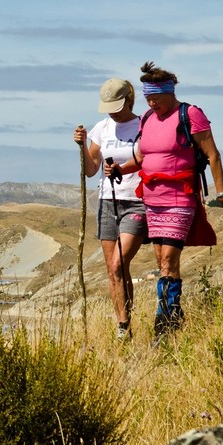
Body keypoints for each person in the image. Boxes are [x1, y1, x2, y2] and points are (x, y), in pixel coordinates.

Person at [106, 62, 223, 339]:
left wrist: (222, 195)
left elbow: (213, 154)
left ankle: (164, 324)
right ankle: (173, 313)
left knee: (168, 260)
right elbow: (144, 157)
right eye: (147, 98)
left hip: (181, 197)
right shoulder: (147, 118)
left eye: (156, 97)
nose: (152, 103)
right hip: (153, 200)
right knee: (161, 262)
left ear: (170, 92)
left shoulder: (190, 114)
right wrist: (121, 169)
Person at [74, 78, 147, 342]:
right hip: (107, 201)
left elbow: (151, 159)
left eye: (116, 105)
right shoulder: (101, 128)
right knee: (113, 269)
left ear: (129, 100)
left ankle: (124, 324)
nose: (112, 111)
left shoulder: (144, 126)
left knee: (119, 263)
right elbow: (90, 170)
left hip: (137, 200)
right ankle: (123, 325)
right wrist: (82, 146)